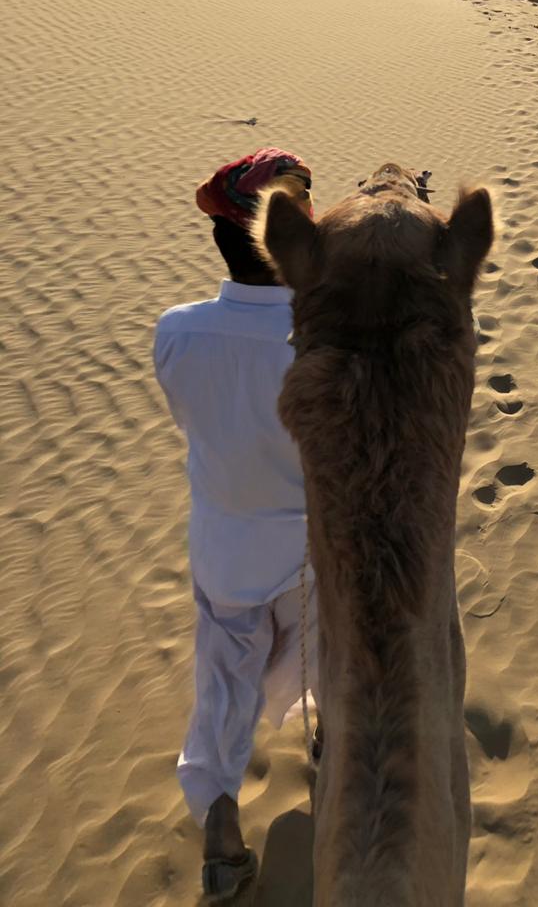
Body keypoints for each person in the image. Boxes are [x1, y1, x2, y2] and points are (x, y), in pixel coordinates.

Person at [154, 147, 321, 903]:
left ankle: (221, 834)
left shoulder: (178, 335)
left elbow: (196, 421)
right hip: (315, 554)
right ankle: (335, 761)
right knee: (330, 668)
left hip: (224, 548)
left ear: (222, 237)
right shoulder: (322, 341)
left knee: (223, 688)